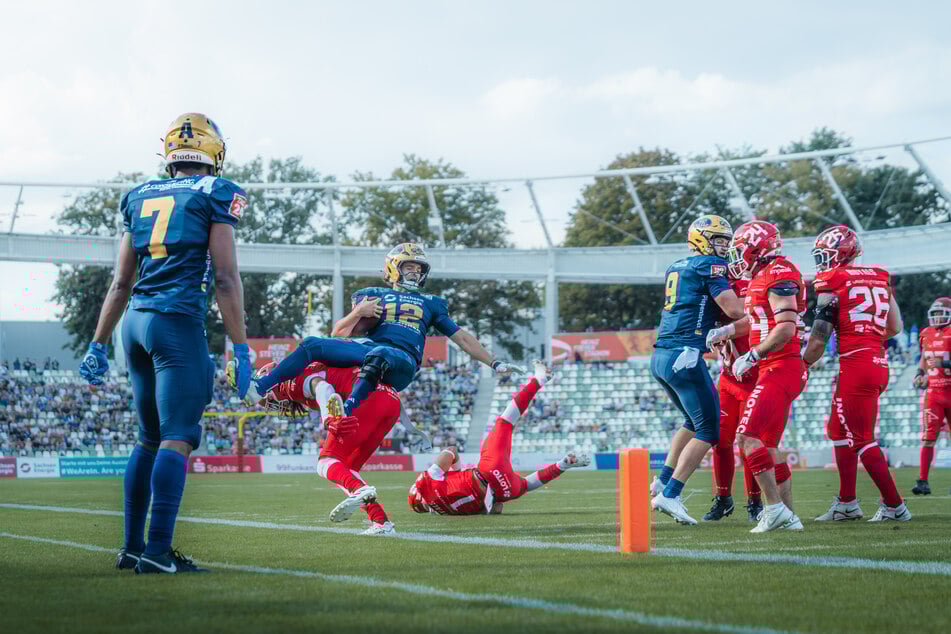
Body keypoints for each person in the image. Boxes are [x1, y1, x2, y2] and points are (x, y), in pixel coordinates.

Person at [79, 113, 252, 574]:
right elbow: (226, 277)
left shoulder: (137, 195)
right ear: (214, 153)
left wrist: (97, 343)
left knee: (148, 439)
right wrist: (241, 346)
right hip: (174, 323)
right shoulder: (218, 192)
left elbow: (120, 282)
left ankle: (132, 547)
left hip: (132, 324)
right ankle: (156, 553)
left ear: (169, 154)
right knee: (177, 437)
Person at [240, 243, 523, 415]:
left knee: (380, 355)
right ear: (393, 269)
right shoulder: (372, 294)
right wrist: (358, 312)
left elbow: (461, 337)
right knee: (313, 344)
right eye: (408, 266)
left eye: (418, 268)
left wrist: (494, 363)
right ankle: (259, 387)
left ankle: (346, 409)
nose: (414, 272)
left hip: (403, 359)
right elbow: (339, 334)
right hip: (372, 349)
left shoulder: (432, 303)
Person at [803, 225, 910, 522]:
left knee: (862, 439)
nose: (822, 263)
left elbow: (818, 338)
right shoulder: (879, 277)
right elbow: (895, 327)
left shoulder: (832, 280)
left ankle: (895, 505)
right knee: (837, 431)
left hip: (856, 365)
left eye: (825, 256)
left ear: (841, 253)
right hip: (876, 362)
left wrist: (801, 364)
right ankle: (847, 503)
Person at [707, 220, 807, 533]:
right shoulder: (762, 276)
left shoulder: (779, 272)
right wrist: (727, 330)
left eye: (740, 248)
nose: (737, 256)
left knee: (746, 437)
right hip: (774, 365)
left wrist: (753, 354)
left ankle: (774, 508)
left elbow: (786, 326)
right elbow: (758, 322)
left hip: (780, 365)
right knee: (769, 445)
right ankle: (788, 515)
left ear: (757, 246)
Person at [648, 215, 746, 525]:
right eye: (719, 239)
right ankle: (671, 493)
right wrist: (761, 304)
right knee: (710, 430)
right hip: (685, 354)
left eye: (726, 241)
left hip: (662, 355)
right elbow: (735, 310)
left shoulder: (677, 266)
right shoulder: (709, 266)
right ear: (701, 238)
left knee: (692, 421)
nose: (724, 246)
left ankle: (662, 480)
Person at [408, 361, 590, 516]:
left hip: (502, 491)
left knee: (526, 485)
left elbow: (494, 509)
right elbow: (451, 451)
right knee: (505, 422)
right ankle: (539, 379)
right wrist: (456, 470)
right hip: (489, 471)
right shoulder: (425, 484)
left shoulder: (445, 511)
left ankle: (564, 464)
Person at [255, 360, 403, 535]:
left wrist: (328, 419)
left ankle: (361, 491)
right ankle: (380, 522)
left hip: (365, 398)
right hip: (391, 400)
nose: (271, 403)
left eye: (268, 398)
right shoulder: (306, 369)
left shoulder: (289, 381)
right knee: (347, 469)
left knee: (325, 463)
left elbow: (323, 388)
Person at [705, 269, 763, 523]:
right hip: (728, 378)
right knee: (721, 441)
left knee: (749, 443)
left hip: (754, 377)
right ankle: (723, 498)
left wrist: (724, 331)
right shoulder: (719, 286)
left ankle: (755, 501)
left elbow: (750, 320)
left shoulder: (759, 285)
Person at [912, 296, 951, 496]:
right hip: (934, 392)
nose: (937, 317)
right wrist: (920, 374)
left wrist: (943, 364)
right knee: (928, 438)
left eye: (940, 313)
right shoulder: (926, 333)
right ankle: (923, 481)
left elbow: (939, 361)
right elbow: (924, 358)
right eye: (934, 313)